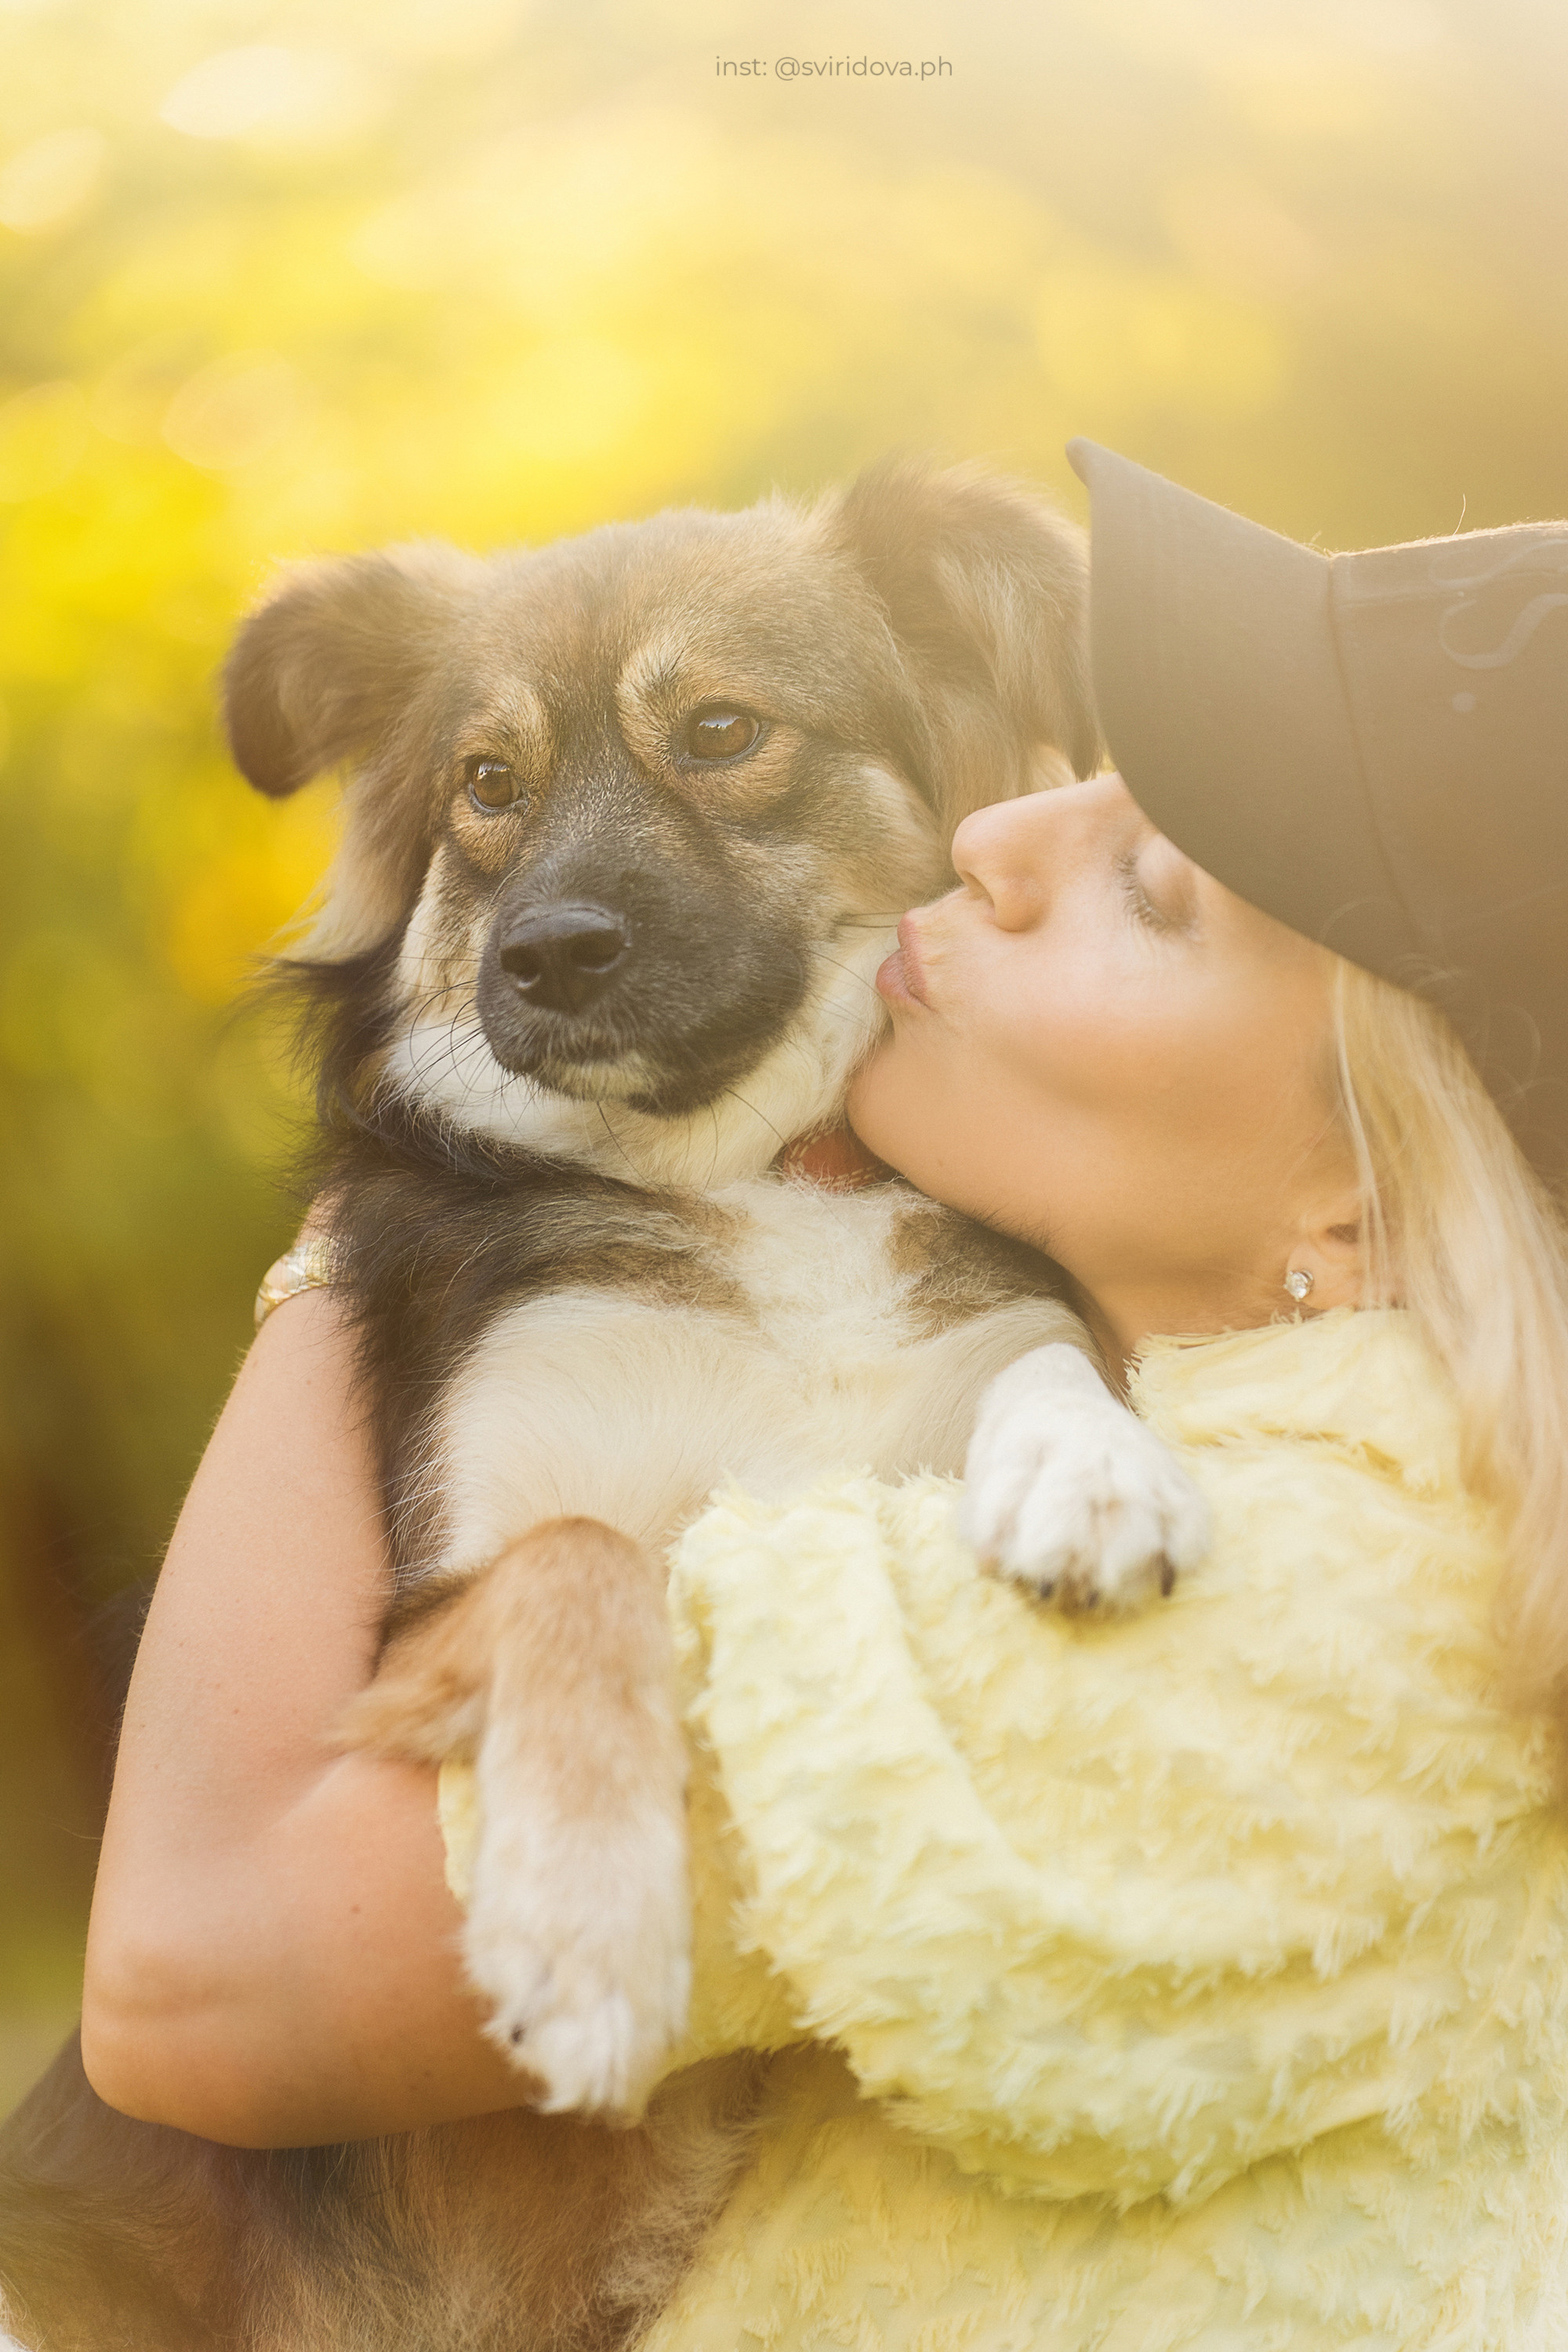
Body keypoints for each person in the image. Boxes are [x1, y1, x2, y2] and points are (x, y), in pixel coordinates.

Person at [77, 445, 1568, 2347]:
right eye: (494, 795)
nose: (994, 842)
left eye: (1155, 885)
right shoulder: (1196, 1412)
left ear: (1364, 1183)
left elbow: (196, 1982)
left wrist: (375, 1199)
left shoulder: (1299, 1600)